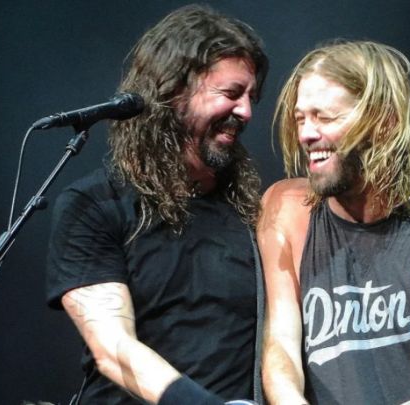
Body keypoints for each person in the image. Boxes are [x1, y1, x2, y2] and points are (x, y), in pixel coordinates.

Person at [258, 41, 410, 404]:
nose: (306, 134)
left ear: (384, 122)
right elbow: (281, 341)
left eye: (324, 117)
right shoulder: (285, 209)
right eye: (301, 118)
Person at [45, 5, 268, 404]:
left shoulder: (252, 211)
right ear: (173, 91)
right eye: (231, 94)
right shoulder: (95, 205)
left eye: (252, 97)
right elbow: (112, 348)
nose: (246, 112)